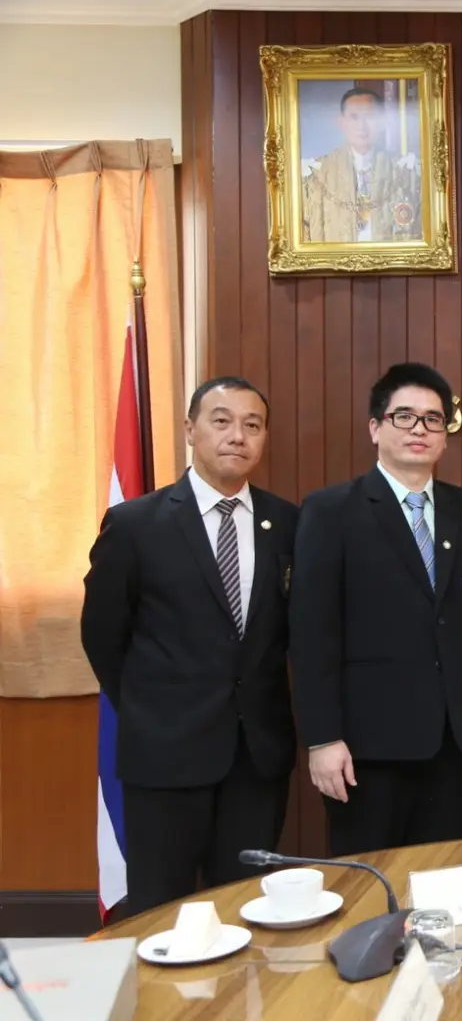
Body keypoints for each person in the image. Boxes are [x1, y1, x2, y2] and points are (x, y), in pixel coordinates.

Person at [81, 377, 296, 916]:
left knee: (248, 908)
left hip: (256, 758)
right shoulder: (136, 524)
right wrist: (151, 709)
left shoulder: (287, 523)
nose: (237, 436)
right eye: (221, 421)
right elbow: (102, 634)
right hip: (165, 755)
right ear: (190, 429)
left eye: (252, 425)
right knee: (162, 912)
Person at [290, 362, 462, 857]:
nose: (419, 429)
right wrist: (323, 738)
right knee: (370, 883)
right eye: (404, 416)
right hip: (367, 748)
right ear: (375, 427)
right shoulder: (331, 511)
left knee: (442, 877)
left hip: (455, 743)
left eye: (433, 419)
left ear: (445, 435)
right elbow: (311, 633)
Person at [302, 86, 423, 244]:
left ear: (382, 122)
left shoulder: (405, 172)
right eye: (354, 117)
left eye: (370, 117)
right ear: (342, 123)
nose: (362, 126)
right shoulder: (317, 174)